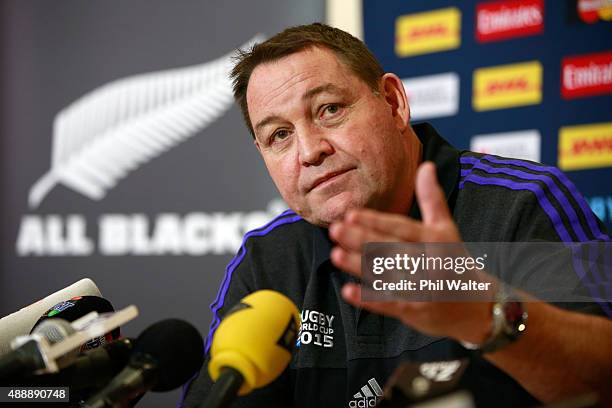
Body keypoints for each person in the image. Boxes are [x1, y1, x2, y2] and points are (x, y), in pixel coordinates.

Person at [181, 23, 612, 407]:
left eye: (329, 109)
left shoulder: (522, 202)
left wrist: (485, 315)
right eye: (279, 135)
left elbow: (603, 379)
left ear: (392, 102)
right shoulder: (269, 259)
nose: (310, 151)